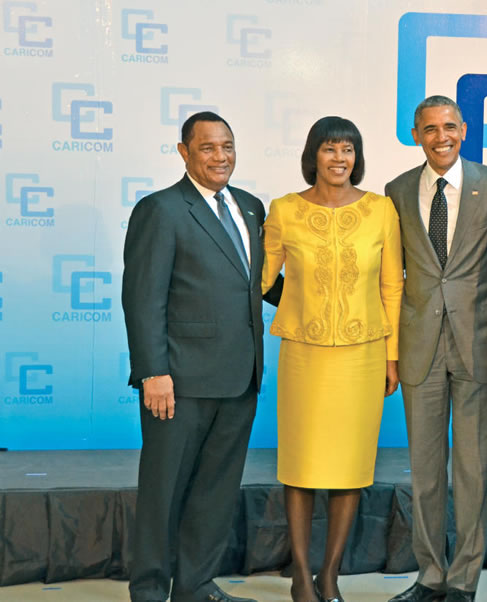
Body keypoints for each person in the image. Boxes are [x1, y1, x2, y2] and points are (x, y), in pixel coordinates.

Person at [123, 111, 270, 602]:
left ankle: (195, 585)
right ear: (184, 152)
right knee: (163, 493)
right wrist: (153, 372)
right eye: (207, 147)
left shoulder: (250, 208)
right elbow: (143, 298)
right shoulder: (161, 209)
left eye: (227, 145)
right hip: (179, 382)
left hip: (239, 378)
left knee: (215, 493)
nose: (220, 156)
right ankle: (148, 590)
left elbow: (262, 285)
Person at [261, 116, 403, 602]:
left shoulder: (381, 210)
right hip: (304, 355)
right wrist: (299, 305)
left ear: (357, 158)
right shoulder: (284, 210)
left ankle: (331, 574)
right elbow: (260, 280)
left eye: (348, 150)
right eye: (329, 149)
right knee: (300, 466)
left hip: (363, 357)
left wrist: (393, 356)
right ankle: (301, 574)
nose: (339, 159)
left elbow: (392, 285)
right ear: (313, 155)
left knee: (350, 468)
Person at [384, 96, 487, 602]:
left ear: (463, 129)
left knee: (474, 469)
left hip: (478, 344)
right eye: (429, 129)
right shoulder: (396, 191)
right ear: (415, 134)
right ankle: (431, 576)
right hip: (419, 346)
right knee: (425, 470)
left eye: (449, 127)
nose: (441, 137)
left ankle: (463, 580)